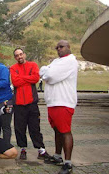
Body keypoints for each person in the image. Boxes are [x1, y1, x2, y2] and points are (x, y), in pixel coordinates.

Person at [39, 40, 78, 174]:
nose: (58, 49)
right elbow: (43, 71)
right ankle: (57, 156)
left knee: (65, 131)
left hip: (63, 101)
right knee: (57, 130)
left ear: (68, 47)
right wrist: (46, 71)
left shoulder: (70, 61)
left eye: (61, 47)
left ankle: (68, 163)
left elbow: (50, 76)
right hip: (53, 102)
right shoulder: (56, 62)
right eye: (57, 47)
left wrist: (46, 72)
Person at [10, 48, 49, 160]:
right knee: (20, 128)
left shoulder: (33, 65)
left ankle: (41, 149)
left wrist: (22, 78)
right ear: (15, 57)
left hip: (31, 103)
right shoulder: (13, 68)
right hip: (19, 104)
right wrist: (28, 78)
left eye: (21, 54)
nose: (19, 57)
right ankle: (23, 149)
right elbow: (15, 82)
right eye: (17, 55)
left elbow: (36, 78)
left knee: (35, 127)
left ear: (24, 54)